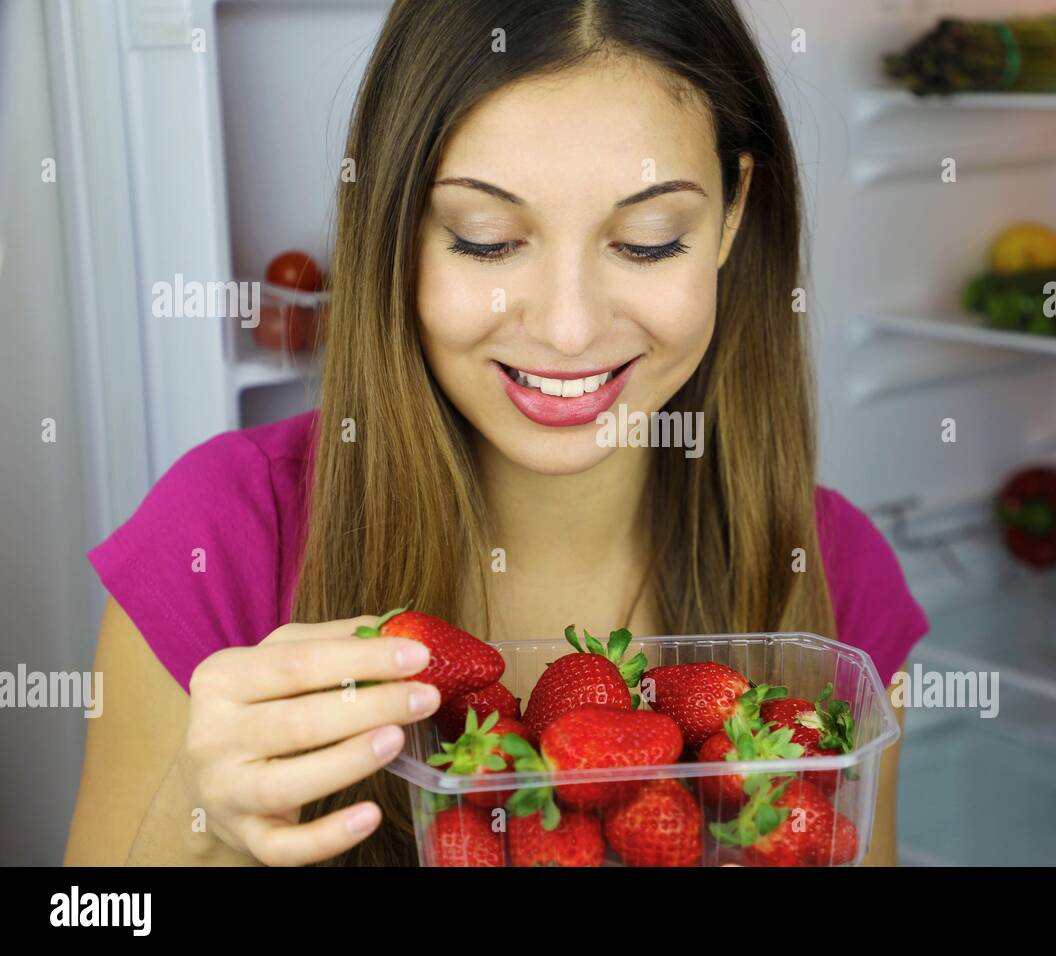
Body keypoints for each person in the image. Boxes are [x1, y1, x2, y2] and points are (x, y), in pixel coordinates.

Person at [65, 0, 926, 867]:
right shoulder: (219, 534)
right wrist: (197, 818)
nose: (566, 329)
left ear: (734, 214)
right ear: (397, 227)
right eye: (486, 240)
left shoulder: (835, 566)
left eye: (647, 240)